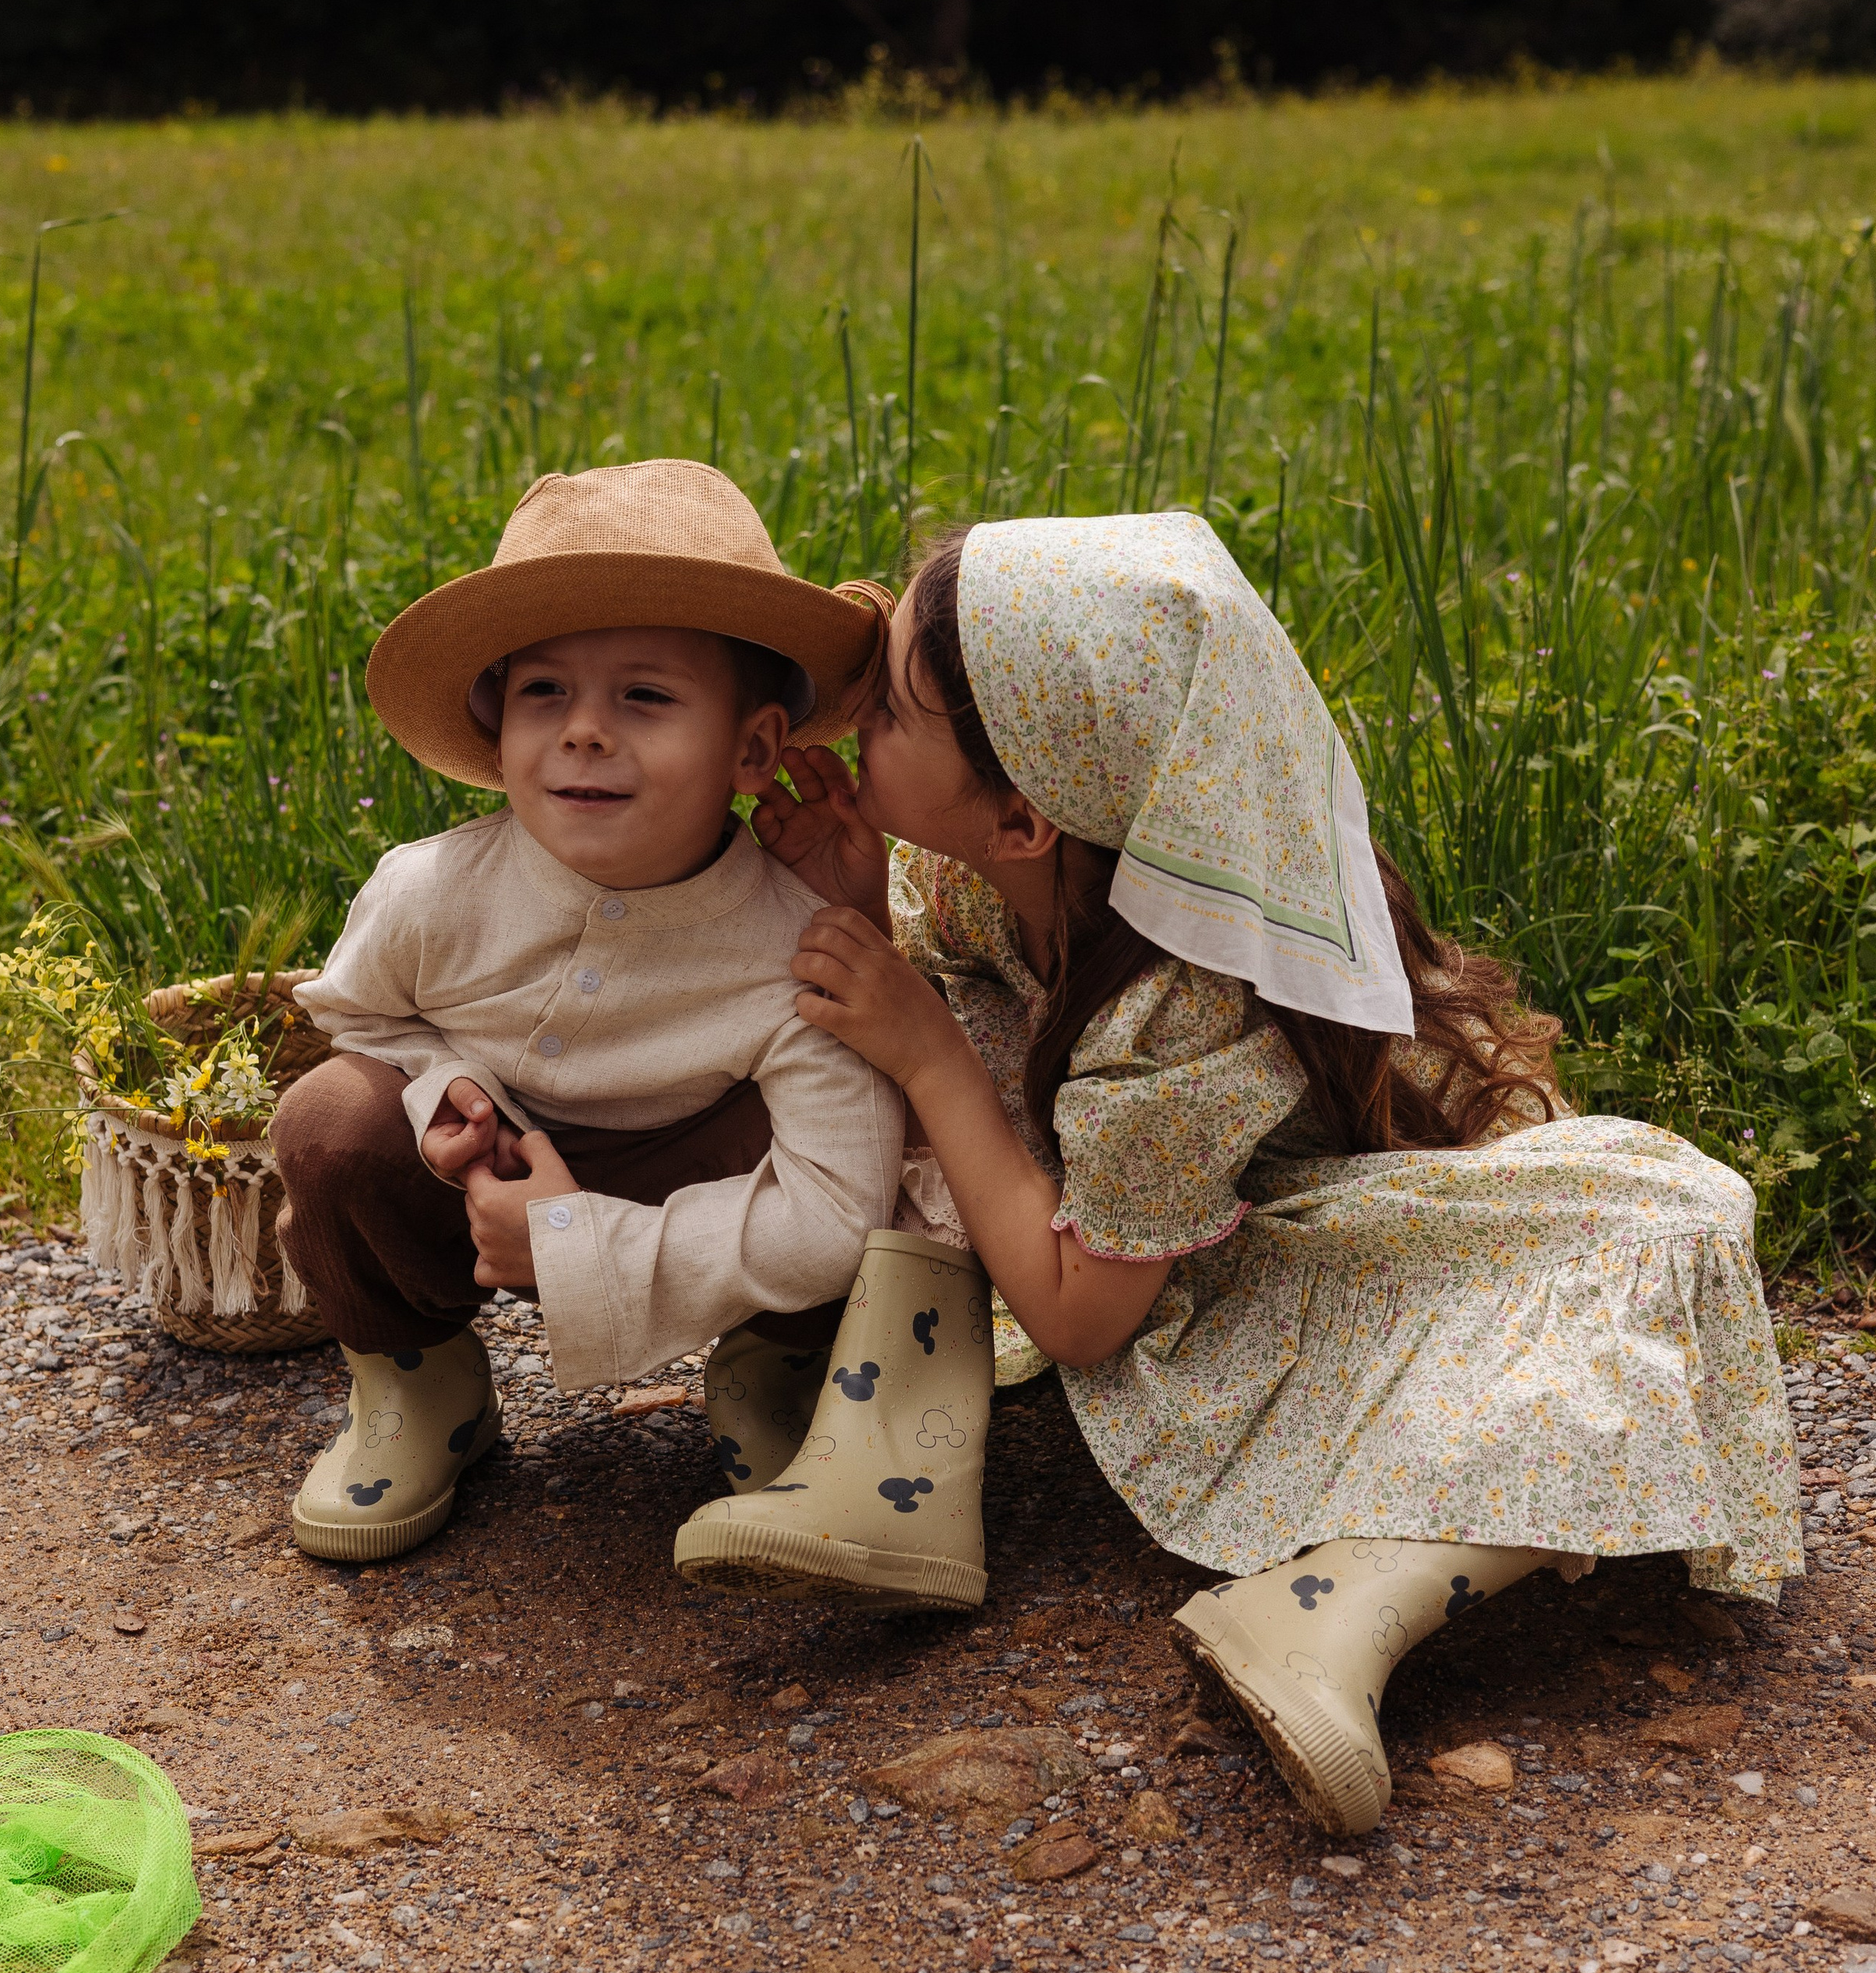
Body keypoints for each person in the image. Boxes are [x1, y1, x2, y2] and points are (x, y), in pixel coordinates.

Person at [676, 509, 1802, 1837]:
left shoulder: (1184, 998)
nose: (861, 713)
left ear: (1028, 814)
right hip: (1184, 1238)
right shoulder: (1012, 880)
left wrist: (928, 1060)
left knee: (1677, 1218)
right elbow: (944, 1014)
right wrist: (863, 913)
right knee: (922, 1010)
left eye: (898, 709)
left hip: (1301, 1253)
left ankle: (1333, 1611)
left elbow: (1083, 1319)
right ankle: (886, 1458)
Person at [270, 458, 916, 1564]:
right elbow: (361, 1020)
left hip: (700, 1166)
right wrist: (447, 1096)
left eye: (646, 697)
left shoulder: (795, 937)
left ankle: (780, 1367)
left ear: (755, 749)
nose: (584, 732)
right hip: (495, 1166)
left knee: (859, 1151)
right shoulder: (431, 894)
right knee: (330, 1124)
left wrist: (578, 1244)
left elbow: (832, 1209)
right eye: (544, 694)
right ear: (497, 722)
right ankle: (419, 1389)